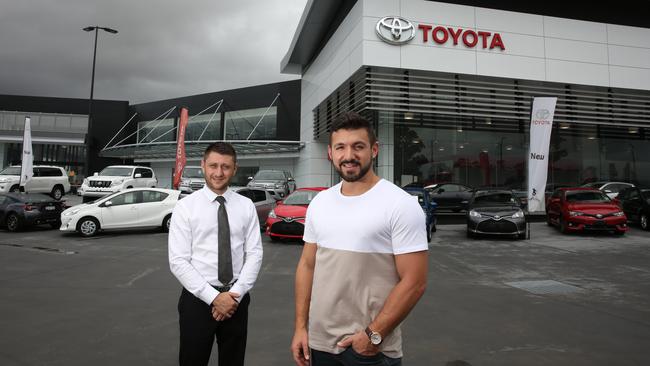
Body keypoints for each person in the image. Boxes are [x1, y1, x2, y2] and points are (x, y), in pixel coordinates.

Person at [291, 112, 429, 366]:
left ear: (374, 150)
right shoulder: (320, 203)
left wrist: (372, 336)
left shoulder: (400, 204)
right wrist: (301, 327)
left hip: (371, 350)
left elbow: (415, 282)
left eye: (358, 146)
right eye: (340, 147)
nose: (349, 155)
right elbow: (307, 266)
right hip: (319, 344)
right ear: (330, 153)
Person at [169, 142, 263, 366]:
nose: (218, 173)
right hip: (197, 300)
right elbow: (179, 261)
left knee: (233, 361)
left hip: (236, 301)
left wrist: (234, 295)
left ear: (235, 169)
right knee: (192, 360)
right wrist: (214, 298)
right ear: (202, 165)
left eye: (225, 167)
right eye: (213, 165)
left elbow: (255, 254)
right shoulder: (185, 207)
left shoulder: (246, 206)